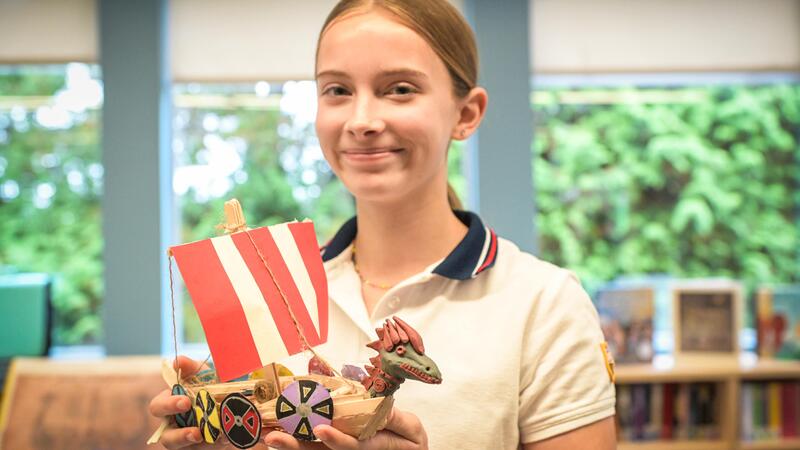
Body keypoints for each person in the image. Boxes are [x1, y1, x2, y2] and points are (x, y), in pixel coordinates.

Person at [148, 0, 617, 449]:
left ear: (466, 113)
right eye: (337, 90)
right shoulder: (270, 288)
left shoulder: (545, 304)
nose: (362, 120)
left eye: (400, 89)